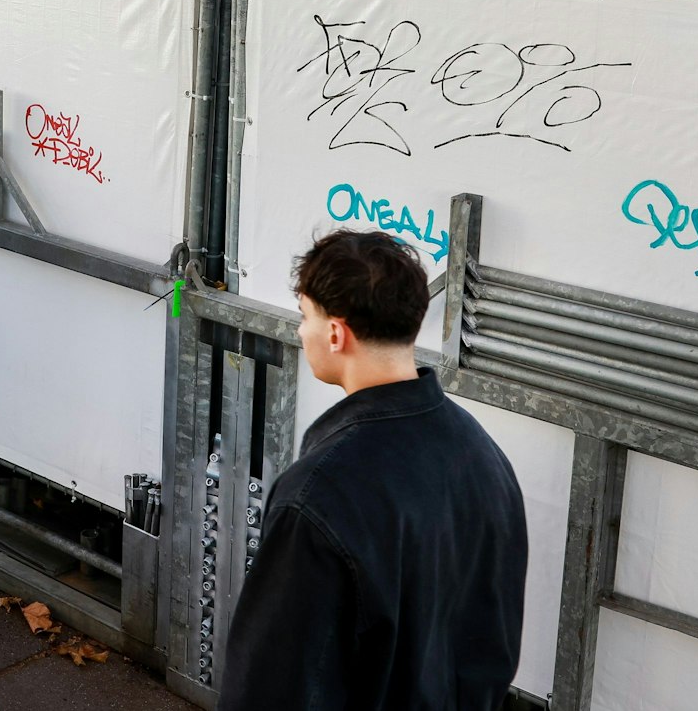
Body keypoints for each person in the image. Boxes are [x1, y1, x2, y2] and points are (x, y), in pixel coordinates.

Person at [219, 230, 527, 710]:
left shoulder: (318, 495)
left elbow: (271, 685)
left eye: (306, 317)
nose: (301, 332)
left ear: (336, 333)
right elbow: (495, 636)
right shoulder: (484, 456)